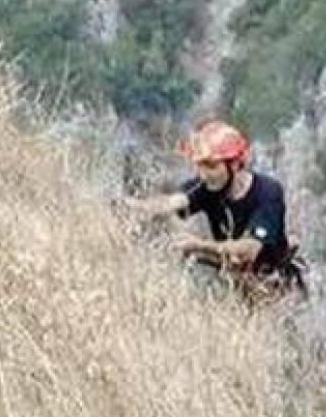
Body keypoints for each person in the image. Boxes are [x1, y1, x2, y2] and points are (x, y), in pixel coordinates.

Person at [120, 119, 306, 298]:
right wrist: (131, 207)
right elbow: (171, 203)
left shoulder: (268, 193)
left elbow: (247, 251)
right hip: (239, 286)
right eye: (200, 166)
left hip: (277, 289)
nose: (204, 174)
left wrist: (198, 245)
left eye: (211, 166)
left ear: (234, 164)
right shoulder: (208, 186)